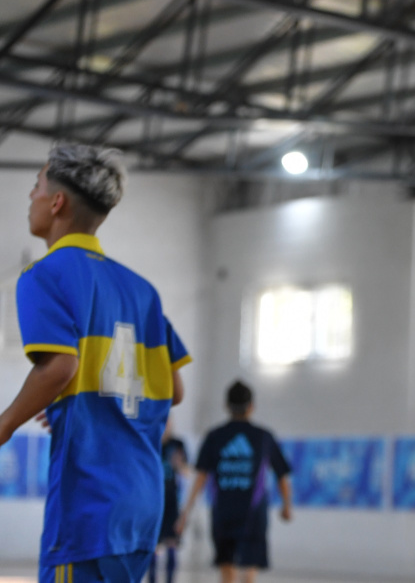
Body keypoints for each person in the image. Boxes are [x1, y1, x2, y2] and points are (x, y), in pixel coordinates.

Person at [0, 144, 190, 583]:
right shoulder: (142, 290)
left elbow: (58, 368)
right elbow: (173, 390)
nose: (31, 197)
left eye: (36, 186)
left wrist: (7, 422)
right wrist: (80, 399)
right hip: (144, 504)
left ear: (57, 202)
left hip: (89, 502)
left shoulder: (45, 274)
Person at [176, 380, 292, 583]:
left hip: (224, 513)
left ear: (226, 406)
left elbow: (200, 477)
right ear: (251, 406)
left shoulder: (214, 436)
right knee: (249, 572)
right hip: (253, 514)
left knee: (227, 571)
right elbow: (282, 474)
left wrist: (185, 512)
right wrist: (287, 506)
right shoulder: (263, 437)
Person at [149, 418, 188, 583]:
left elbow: (187, 471)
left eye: (169, 424)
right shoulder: (150, 441)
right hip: (153, 500)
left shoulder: (177, 444)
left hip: (171, 500)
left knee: (172, 543)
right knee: (153, 546)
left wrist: (179, 465)